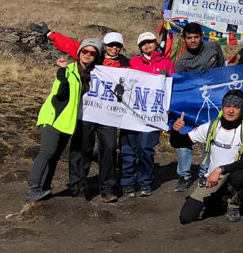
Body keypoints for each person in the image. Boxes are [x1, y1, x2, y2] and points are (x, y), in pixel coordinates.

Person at [39, 28, 129, 202]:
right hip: (85, 111)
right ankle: (78, 189)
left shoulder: (125, 64)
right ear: (105, 46)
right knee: (81, 149)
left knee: (109, 149)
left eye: (118, 45)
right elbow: (73, 45)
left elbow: (139, 81)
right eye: (111, 45)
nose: (114, 48)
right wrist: (51, 34)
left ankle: (108, 190)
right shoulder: (94, 55)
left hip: (108, 114)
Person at [25, 39, 102, 202]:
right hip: (54, 118)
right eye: (85, 51)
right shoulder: (68, 70)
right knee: (46, 153)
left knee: (54, 156)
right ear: (79, 52)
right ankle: (32, 189)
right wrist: (61, 73)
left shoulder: (92, 75)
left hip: (67, 123)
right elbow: (59, 93)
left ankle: (44, 188)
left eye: (92, 53)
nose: (88, 55)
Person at [174, 89, 243, 224]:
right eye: (227, 106)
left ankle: (234, 205)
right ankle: (221, 199)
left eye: (236, 107)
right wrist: (175, 131)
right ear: (222, 107)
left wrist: (220, 169)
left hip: (231, 174)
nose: (231, 111)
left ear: (241, 110)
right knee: (186, 218)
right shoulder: (211, 126)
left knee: (240, 176)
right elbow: (178, 142)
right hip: (212, 178)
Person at [172, 22, 226, 191]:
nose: (193, 41)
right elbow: (179, 87)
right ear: (184, 39)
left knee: (210, 137)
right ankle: (184, 175)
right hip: (190, 104)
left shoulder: (214, 48)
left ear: (202, 35)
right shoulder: (182, 61)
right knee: (185, 138)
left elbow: (222, 70)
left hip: (213, 101)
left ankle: (205, 172)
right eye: (189, 38)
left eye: (196, 37)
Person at [120, 32, 174, 199]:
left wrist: (168, 107)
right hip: (132, 113)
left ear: (156, 43)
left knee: (145, 148)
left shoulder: (167, 63)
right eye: (143, 43)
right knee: (128, 149)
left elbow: (171, 87)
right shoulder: (133, 62)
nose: (147, 45)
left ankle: (145, 182)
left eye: (149, 42)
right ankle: (127, 182)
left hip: (152, 115)